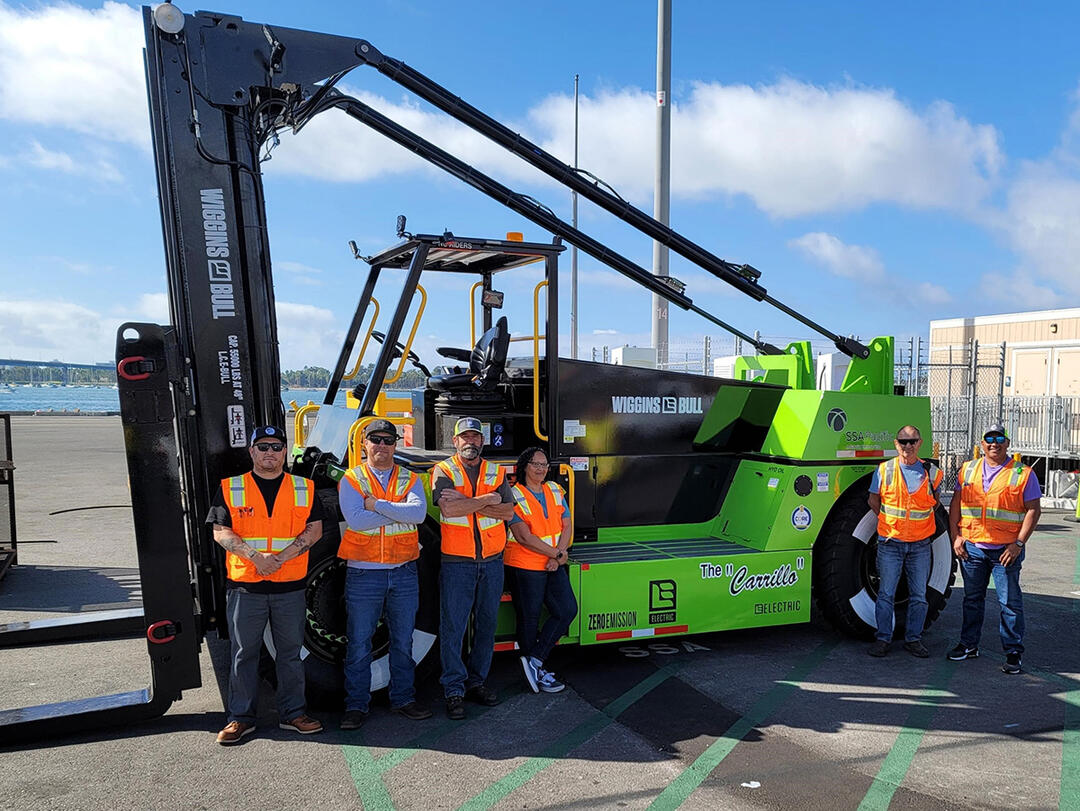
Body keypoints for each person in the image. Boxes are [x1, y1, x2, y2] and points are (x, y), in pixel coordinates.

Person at [206, 425, 325, 745]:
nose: (269, 453)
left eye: (276, 447)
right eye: (262, 447)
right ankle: (240, 718)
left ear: (285, 452)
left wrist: (282, 557)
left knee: (289, 654)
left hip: (290, 586)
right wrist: (256, 557)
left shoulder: (304, 487)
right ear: (252, 452)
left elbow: (314, 530)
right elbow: (220, 531)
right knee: (244, 653)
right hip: (247, 586)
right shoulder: (231, 487)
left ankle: (293, 713)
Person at [337, 419, 432, 729]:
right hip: (365, 576)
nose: (381, 445)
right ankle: (356, 706)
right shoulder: (352, 479)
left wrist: (376, 505)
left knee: (403, 642)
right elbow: (355, 520)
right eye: (375, 439)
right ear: (364, 444)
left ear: (396, 444)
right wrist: (396, 510)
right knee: (359, 644)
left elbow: (417, 514)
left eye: (387, 439)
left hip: (404, 572)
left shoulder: (409, 477)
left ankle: (403, 699)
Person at [431, 416, 516, 720]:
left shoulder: (496, 471)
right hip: (458, 563)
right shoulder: (443, 471)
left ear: (483, 441)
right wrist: (484, 499)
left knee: (486, 626)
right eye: (464, 437)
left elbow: (508, 511)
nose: (470, 442)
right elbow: (449, 508)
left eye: (475, 437)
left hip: (492, 561)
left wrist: (470, 501)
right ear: (454, 441)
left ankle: (476, 682)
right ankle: (454, 690)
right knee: (453, 628)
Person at [947, 422, 1041, 674]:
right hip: (973, 548)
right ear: (982, 444)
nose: (994, 443)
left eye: (999, 438)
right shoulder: (967, 470)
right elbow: (956, 504)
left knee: (1009, 602)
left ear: (1007, 443)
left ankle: (1013, 652)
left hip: (1005, 552)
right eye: (989, 438)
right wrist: (956, 536)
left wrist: (1018, 544)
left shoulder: (1023, 473)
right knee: (972, 600)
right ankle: (968, 645)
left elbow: (1033, 510)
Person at [866, 426, 943, 658]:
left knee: (919, 596)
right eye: (903, 441)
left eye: (912, 441)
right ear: (896, 443)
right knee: (886, 594)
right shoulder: (884, 470)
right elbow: (873, 501)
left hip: (920, 545)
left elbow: (936, 504)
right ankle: (883, 639)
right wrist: (891, 523)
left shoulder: (932, 472)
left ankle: (913, 639)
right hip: (891, 543)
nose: (907, 446)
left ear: (919, 443)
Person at [506, 446, 577, 693]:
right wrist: (556, 554)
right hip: (525, 566)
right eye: (536, 464)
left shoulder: (555, 490)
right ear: (524, 466)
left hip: (552, 564)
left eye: (544, 464)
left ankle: (535, 662)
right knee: (529, 619)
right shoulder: (514, 495)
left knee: (567, 610)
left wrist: (558, 556)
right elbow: (523, 536)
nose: (541, 468)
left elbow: (566, 525)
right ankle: (533, 671)